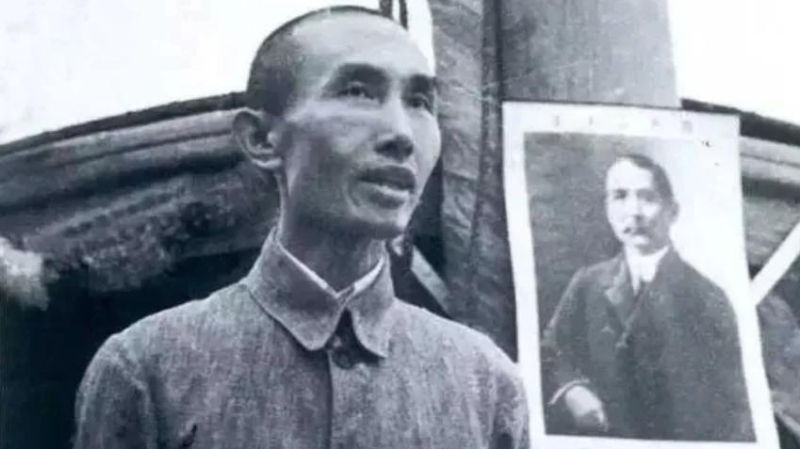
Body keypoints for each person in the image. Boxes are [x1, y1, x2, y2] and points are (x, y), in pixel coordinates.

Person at [72, 6, 529, 449]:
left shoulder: (487, 385)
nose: (402, 134)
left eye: (420, 102)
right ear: (261, 140)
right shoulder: (147, 369)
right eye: (358, 92)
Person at [541, 154, 754, 441]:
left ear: (672, 211)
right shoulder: (586, 283)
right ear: (607, 208)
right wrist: (572, 389)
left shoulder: (708, 298)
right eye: (619, 197)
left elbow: (731, 403)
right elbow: (553, 351)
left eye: (648, 198)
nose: (634, 211)